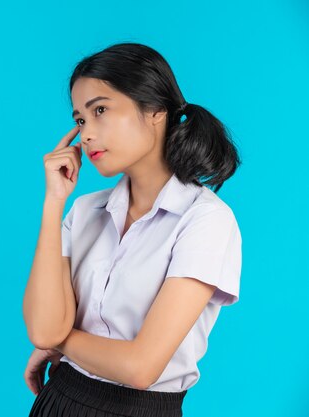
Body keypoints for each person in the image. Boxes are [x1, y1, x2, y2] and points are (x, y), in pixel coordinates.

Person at [22, 42, 242, 417]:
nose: (87, 134)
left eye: (101, 110)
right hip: (58, 400)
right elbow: (43, 330)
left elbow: (141, 367)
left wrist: (62, 342)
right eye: (80, 120)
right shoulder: (84, 210)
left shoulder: (205, 220)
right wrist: (53, 201)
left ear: (155, 110)